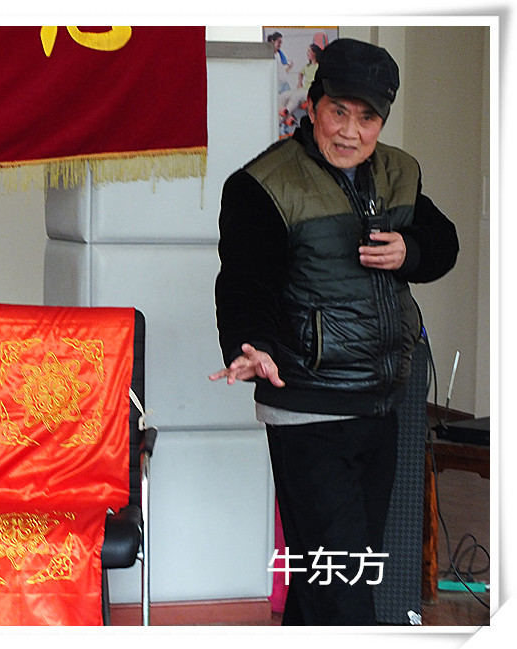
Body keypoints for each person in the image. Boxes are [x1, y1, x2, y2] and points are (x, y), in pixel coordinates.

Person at [210, 38, 459, 625]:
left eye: (367, 118)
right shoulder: (263, 185)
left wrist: (410, 250)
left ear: (382, 122)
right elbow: (245, 283)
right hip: (307, 405)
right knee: (344, 586)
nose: (350, 132)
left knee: (332, 573)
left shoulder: (399, 173)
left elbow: (443, 242)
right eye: (338, 112)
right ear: (313, 105)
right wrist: (253, 345)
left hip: (379, 402)